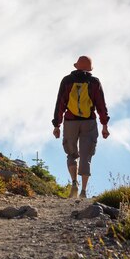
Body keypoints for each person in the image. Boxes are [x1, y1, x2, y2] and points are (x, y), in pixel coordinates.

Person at [52, 56, 110, 199]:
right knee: (86, 155)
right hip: (89, 122)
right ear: (89, 68)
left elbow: (60, 103)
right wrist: (104, 125)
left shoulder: (67, 80)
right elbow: (101, 105)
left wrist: (57, 125)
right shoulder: (94, 82)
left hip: (70, 122)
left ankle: (74, 183)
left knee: (71, 154)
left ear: (76, 66)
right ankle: (83, 191)